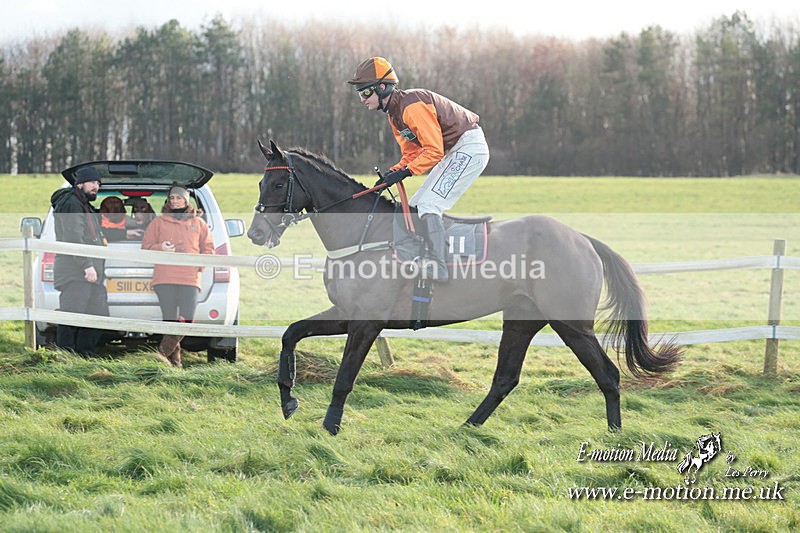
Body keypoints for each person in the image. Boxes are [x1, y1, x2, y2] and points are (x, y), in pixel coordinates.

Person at [348, 56, 490, 282]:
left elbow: (433, 151)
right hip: (454, 151)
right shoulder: (394, 115)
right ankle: (419, 257)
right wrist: (391, 174)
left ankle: (439, 266)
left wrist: (405, 172)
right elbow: (412, 153)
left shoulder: (412, 105)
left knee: (429, 204)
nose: (362, 99)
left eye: (365, 93)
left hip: (469, 148)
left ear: (382, 88)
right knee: (413, 206)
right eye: (360, 94)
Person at [141, 184, 214, 367]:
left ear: (186, 200)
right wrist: (160, 247)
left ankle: (160, 356)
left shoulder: (199, 223)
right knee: (170, 321)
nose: (174, 201)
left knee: (187, 319)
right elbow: (145, 247)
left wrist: (199, 267)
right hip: (164, 278)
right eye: (172, 198)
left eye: (178, 198)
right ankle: (176, 363)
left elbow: (209, 250)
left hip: (190, 279)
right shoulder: (158, 222)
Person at [49, 166, 110, 355]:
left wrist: (128, 231)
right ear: (80, 183)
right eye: (92, 182)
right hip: (76, 272)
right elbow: (74, 237)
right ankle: (67, 358)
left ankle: (84, 356)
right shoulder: (71, 203)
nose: (96, 187)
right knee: (72, 317)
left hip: (88, 272)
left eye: (98, 183)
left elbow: (95, 232)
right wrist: (88, 265)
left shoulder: (84, 205)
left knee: (97, 316)